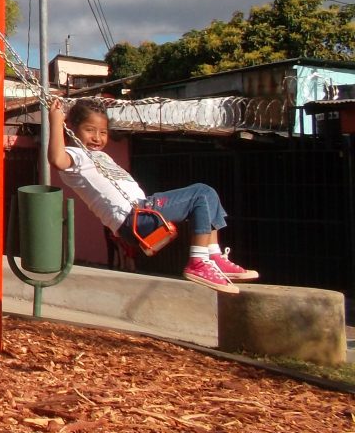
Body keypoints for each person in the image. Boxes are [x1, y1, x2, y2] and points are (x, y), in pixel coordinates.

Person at [48, 97, 258, 293]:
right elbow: (56, 159)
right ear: (72, 128)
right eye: (89, 130)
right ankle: (198, 262)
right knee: (201, 194)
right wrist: (56, 122)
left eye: (103, 132)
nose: (97, 137)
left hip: (142, 210)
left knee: (208, 195)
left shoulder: (100, 156)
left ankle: (213, 256)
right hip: (135, 216)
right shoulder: (75, 156)